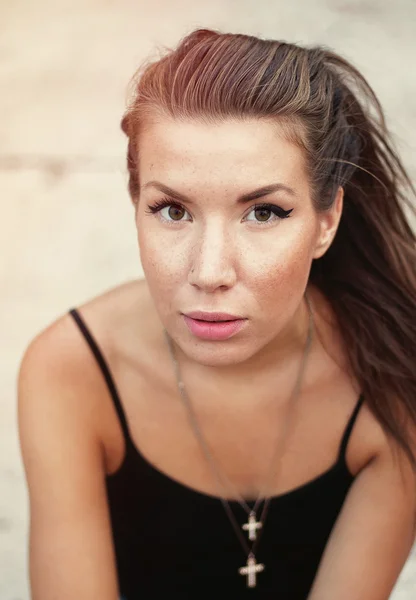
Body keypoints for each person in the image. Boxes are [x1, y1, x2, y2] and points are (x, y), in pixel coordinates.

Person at [17, 27, 416, 600]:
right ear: (136, 206)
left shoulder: (391, 375)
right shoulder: (70, 373)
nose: (209, 271)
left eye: (264, 213)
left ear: (326, 221)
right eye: (173, 210)